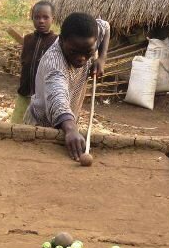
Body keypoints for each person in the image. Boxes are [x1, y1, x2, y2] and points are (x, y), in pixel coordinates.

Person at [23, 12, 110, 160]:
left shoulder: (91, 34)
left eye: (88, 52)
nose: (81, 58)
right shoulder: (54, 64)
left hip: (68, 124)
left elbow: (105, 27)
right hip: (40, 127)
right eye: (74, 52)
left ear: (94, 42)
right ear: (61, 40)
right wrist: (70, 129)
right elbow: (57, 98)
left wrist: (101, 58)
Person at [10, 1, 57, 124]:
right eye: (37, 17)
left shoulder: (56, 42)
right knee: (16, 123)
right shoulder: (28, 39)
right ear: (32, 18)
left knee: (37, 127)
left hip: (43, 96)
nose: (41, 21)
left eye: (45, 17)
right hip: (24, 92)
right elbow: (24, 61)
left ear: (53, 19)